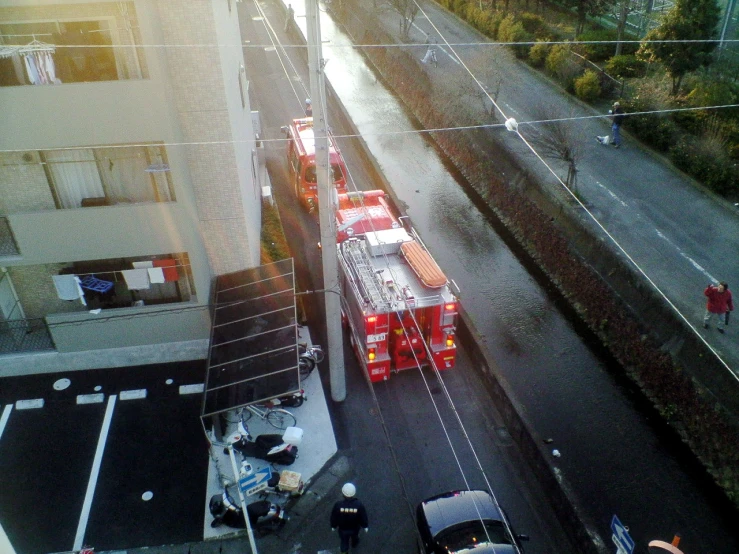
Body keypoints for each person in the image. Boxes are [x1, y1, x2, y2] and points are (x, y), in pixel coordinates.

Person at [330, 483, 368, 553]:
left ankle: (344, 552)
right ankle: (354, 543)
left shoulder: (338, 505)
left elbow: (334, 517)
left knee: (344, 541)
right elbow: (363, 516)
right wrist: (365, 526)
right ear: (354, 493)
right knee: (355, 536)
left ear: (343, 493)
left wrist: (333, 526)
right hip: (355, 528)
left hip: (343, 529)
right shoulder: (359, 505)